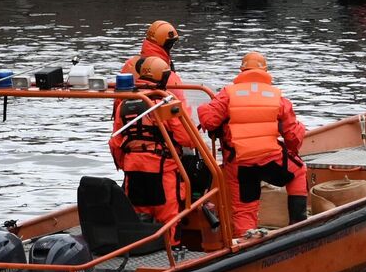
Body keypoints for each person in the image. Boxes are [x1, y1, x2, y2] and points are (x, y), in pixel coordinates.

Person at [198, 52, 308, 237]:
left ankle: (245, 245)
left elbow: (208, 121)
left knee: (244, 210)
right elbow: (293, 136)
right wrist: (293, 147)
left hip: (239, 162)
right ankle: (298, 225)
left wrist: (206, 109)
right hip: (270, 158)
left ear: (242, 70)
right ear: (265, 71)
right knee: (298, 171)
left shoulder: (227, 94)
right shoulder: (277, 97)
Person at [109, 57, 194, 233]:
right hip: (163, 171)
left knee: (140, 220)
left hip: (134, 172)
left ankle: (141, 252)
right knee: (169, 219)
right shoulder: (165, 103)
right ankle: (171, 253)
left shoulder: (124, 104)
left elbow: (115, 143)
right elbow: (187, 139)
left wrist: (125, 165)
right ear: (162, 78)